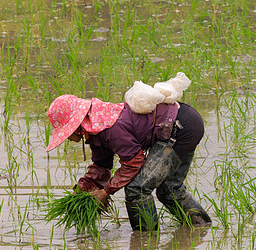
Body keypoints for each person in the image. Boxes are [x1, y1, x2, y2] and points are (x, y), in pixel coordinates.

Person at [45, 94, 212, 231]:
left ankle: (145, 242)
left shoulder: (110, 128)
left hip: (180, 127)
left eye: (67, 132)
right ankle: (202, 226)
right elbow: (101, 166)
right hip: (187, 122)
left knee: (137, 189)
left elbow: (134, 161)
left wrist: (105, 193)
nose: (68, 138)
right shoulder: (97, 127)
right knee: (169, 189)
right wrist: (83, 190)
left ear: (77, 125)